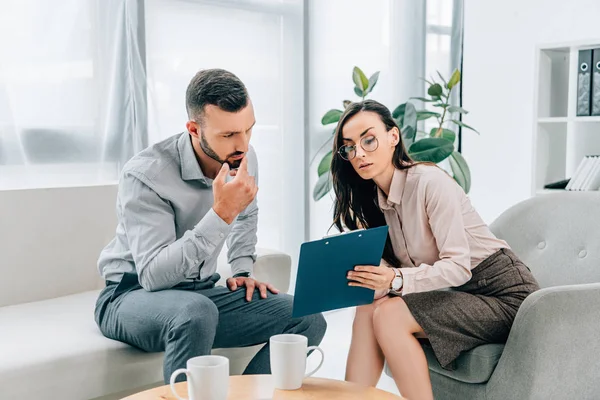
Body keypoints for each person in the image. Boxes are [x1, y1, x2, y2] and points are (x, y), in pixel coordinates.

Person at [94, 68, 326, 383]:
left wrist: (243, 271)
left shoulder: (242, 155)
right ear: (194, 129)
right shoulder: (146, 175)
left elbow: (247, 213)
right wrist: (221, 214)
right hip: (129, 295)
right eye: (228, 135)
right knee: (196, 312)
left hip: (200, 293)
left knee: (307, 317)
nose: (242, 144)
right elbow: (153, 275)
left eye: (248, 129)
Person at [330, 99, 539, 399]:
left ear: (393, 137)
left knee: (390, 315)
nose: (359, 153)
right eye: (350, 147)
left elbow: (457, 267)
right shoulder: (375, 202)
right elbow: (399, 273)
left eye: (369, 139)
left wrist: (394, 281)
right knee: (367, 305)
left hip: (504, 295)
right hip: (456, 295)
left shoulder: (429, 183)